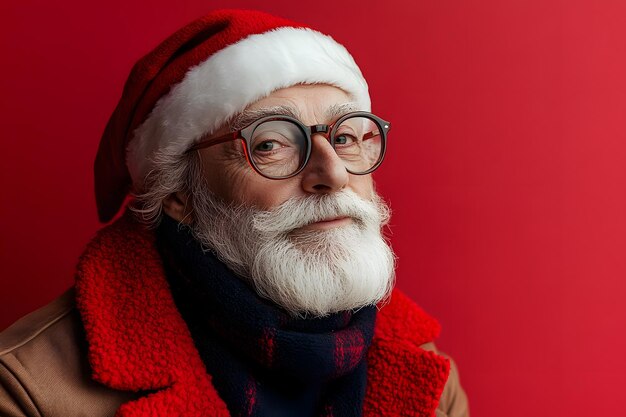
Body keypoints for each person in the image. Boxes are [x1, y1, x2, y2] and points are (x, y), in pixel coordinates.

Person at [0, 9, 469, 417]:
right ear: (179, 193)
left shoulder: (427, 371)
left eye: (345, 137)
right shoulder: (29, 390)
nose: (333, 174)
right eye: (272, 144)